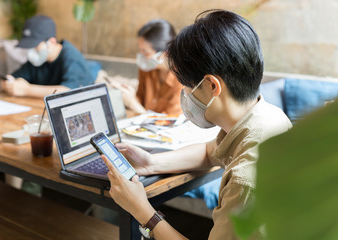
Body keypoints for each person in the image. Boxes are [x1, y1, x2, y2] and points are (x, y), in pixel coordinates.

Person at [102, 9, 292, 239]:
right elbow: (209, 151)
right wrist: (151, 163)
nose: (185, 94)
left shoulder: (245, 182)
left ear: (212, 85)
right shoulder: (268, 116)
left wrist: (142, 211)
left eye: (187, 86)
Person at [0, 15, 93, 98]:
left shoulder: (71, 57)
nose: (30, 51)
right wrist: (8, 84)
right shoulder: (37, 61)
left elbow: (70, 91)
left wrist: (27, 90)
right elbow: (13, 78)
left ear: (51, 42)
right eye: (29, 46)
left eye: (35, 45)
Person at [112, 19, 182, 115]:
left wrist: (133, 104)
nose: (141, 56)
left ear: (165, 53)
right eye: (140, 50)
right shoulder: (146, 68)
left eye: (145, 52)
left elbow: (168, 121)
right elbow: (140, 99)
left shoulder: (182, 77)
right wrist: (127, 93)